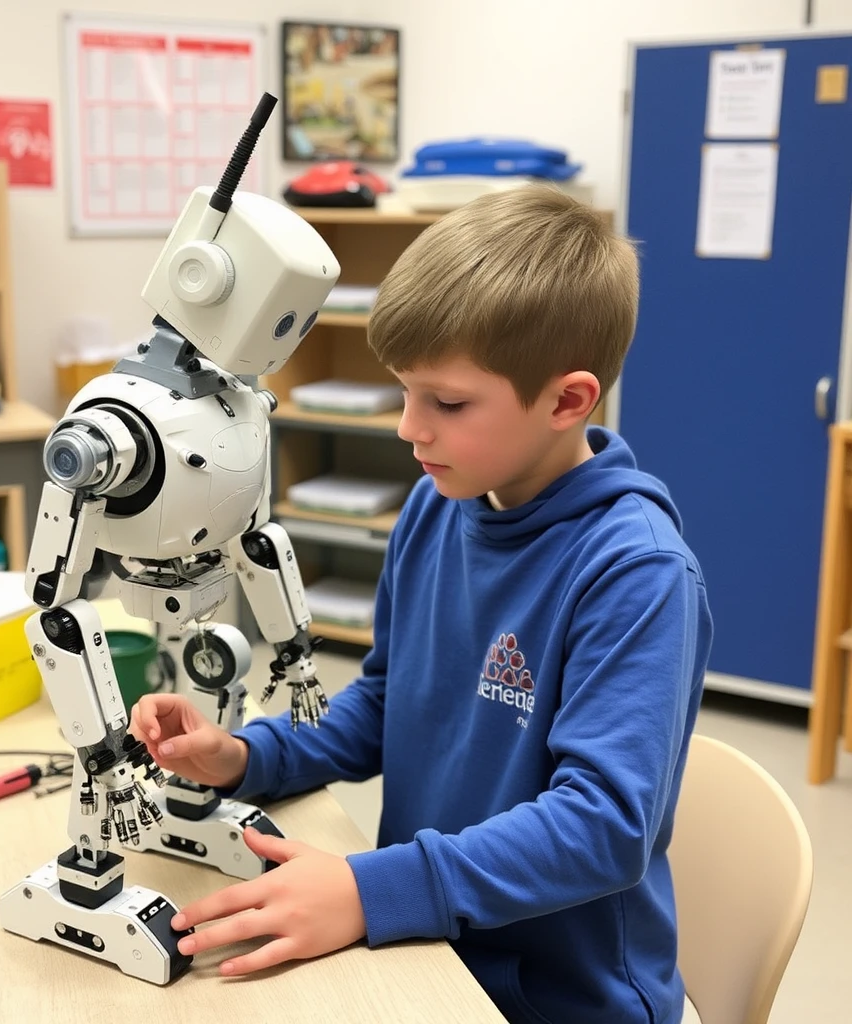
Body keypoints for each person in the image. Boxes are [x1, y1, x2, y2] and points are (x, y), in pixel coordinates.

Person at [130, 184, 713, 1024]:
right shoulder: (439, 505)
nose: (410, 428)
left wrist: (374, 890)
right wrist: (250, 757)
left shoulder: (637, 574)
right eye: (403, 392)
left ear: (568, 401)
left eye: (446, 402)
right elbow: (389, 698)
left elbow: (602, 829)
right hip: (431, 943)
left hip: (556, 995)